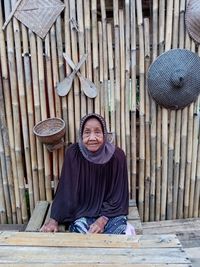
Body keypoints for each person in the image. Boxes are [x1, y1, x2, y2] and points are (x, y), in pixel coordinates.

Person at [40, 113, 129, 234]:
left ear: (104, 134)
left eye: (97, 132)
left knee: (118, 236)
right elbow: (66, 190)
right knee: (81, 236)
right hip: (82, 212)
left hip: (111, 213)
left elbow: (118, 194)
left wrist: (102, 220)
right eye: (87, 132)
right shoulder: (73, 154)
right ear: (81, 135)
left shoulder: (117, 156)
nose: (92, 138)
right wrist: (54, 220)